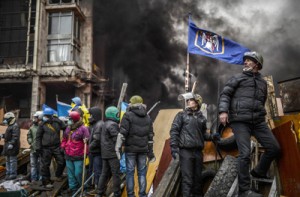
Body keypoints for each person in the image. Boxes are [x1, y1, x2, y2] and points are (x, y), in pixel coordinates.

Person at [218, 51, 281, 197]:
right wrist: (223, 111)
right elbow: (225, 94)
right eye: (245, 60)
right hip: (240, 120)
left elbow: (262, 100)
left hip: (258, 121)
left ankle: (258, 171)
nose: (245, 62)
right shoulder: (237, 78)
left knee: (274, 148)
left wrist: (259, 114)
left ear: (257, 64)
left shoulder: (263, 83)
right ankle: (244, 190)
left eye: (249, 60)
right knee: (245, 154)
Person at [170, 93, 217, 197]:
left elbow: (203, 134)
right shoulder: (181, 115)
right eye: (189, 100)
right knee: (187, 180)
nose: (188, 102)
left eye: (191, 100)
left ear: (197, 103)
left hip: (198, 153)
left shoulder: (202, 119)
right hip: (185, 151)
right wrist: (173, 147)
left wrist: (212, 136)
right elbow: (174, 131)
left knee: (197, 180)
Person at [116, 95, 155, 197]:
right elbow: (150, 137)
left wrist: (118, 148)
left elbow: (122, 134)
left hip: (131, 150)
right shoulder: (148, 117)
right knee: (142, 173)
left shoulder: (127, 115)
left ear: (131, 104)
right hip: (143, 150)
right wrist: (150, 153)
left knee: (130, 173)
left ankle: (131, 195)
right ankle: (142, 194)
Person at [61, 111, 90, 195]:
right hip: (68, 154)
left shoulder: (83, 128)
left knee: (78, 173)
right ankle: (73, 189)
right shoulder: (68, 128)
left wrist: (86, 150)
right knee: (70, 174)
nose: (68, 121)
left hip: (79, 155)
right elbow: (64, 139)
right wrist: (63, 146)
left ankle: (83, 188)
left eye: (70, 119)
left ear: (74, 119)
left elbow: (87, 142)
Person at [36, 108, 66, 188]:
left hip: (56, 146)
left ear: (51, 116)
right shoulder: (42, 124)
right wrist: (38, 147)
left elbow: (66, 128)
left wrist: (65, 142)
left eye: (47, 116)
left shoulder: (58, 122)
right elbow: (38, 137)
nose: (45, 117)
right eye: (45, 115)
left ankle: (58, 175)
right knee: (45, 165)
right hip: (45, 148)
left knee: (62, 161)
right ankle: (46, 182)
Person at [96, 106, 121, 197]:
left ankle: (99, 192)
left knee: (104, 173)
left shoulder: (105, 123)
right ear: (113, 114)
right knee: (116, 174)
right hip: (112, 154)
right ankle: (117, 194)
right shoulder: (112, 124)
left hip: (105, 153)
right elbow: (117, 139)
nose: (119, 115)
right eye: (117, 114)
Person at [87, 106, 104, 193]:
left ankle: (98, 189)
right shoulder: (95, 124)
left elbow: (96, 139)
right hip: (94, 152)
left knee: (98, 171)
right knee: (94, 170)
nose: (90, 117)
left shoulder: (99, 125)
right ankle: (94, 186)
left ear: (95, 115)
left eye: (91, 115)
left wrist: (89, 147)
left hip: (97, 152)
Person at [1, 112, 20, 180]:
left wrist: (11, 143)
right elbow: (8, 135)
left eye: (6, 119)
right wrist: (2, 135)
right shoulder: (10, 126)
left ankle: (13, 174)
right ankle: (8, 173)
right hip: (7, 146)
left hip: (12, 147)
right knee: (7, 161)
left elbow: (15, 137)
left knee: (12, 161)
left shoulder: (15, 126)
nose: (5, 120)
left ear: (10, 119)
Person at [27, 111, 43, 182]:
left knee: (41, 165)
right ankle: (33, 179)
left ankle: (40, 179)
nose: (34, 119)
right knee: (33, 165)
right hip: (33, 149)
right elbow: (29, 135)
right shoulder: (32, 127)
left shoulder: (43, 127)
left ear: (39, 118)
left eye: (36, 117)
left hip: (41, 150)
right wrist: (30, 141)